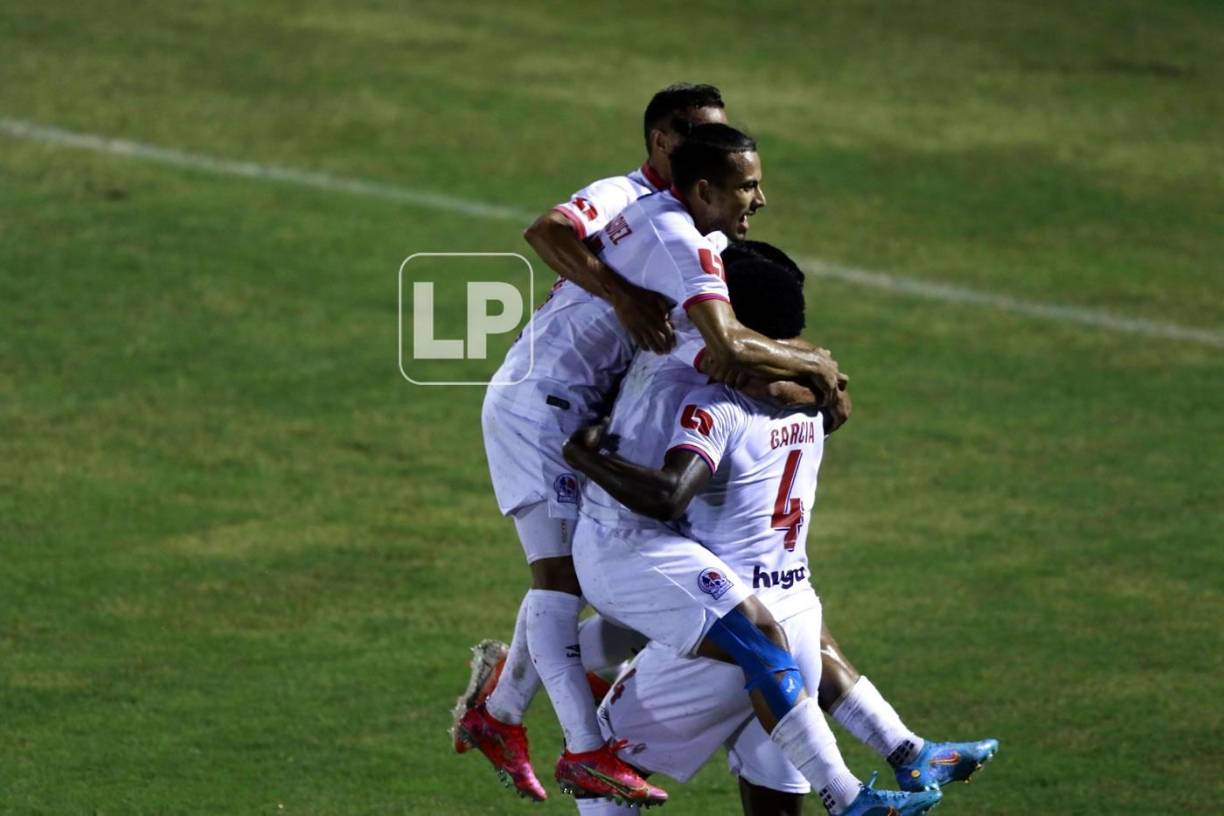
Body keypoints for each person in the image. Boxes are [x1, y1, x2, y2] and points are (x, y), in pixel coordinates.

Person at [564, 246, 997, 816]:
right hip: (795, 611)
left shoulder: (714, 407)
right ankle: (907, 753)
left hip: (726, 633)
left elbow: (669, 494)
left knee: (602, 775)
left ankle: (853, 795)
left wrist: (584, 455)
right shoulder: (814, 404)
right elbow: (821, 395)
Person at [453, 85, 737, 806]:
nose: (711, 148)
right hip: (541, 400)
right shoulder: (624, 195)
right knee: (561, 578)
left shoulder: (698, 224)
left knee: (587, 572)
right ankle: (584, 750)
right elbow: (546, 232)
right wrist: (621, 295)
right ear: (661, 141)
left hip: (583, 412)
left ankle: (500, 710)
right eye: (696, 135)